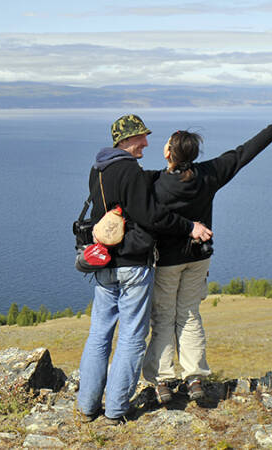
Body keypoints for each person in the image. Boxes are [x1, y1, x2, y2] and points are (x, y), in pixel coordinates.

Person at [142, 106, 272, 404]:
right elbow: (245, 152)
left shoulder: (156, 186)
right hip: (199, 258)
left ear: (169, 154)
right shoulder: (208, 174)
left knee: (164, 317)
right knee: (189, 314)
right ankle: (194, 378)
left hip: (167, 261)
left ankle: (162, 381)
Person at [76, 114, 213, 425]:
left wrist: (163, 174)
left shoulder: (98, 169)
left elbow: (121, 199)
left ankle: (87, 406)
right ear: (125, 140)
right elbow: (151, 216)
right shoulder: (131, 172)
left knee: (99, 334)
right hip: (133, 266)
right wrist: (189, 226)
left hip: (103, 263)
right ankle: (115, 410)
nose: (147, 143)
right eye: (141, 138)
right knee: (132, 337)